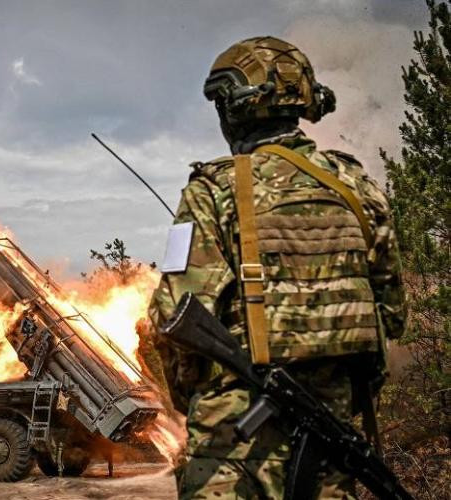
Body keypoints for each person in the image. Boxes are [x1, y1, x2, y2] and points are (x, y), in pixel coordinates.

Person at [148, 36, 406, 499]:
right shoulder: (357, 187)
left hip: (232, 449)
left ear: (233, 110)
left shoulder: (211, 191)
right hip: (330, 435)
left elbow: (173, 313)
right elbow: (391, 316)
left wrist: (196, 397)